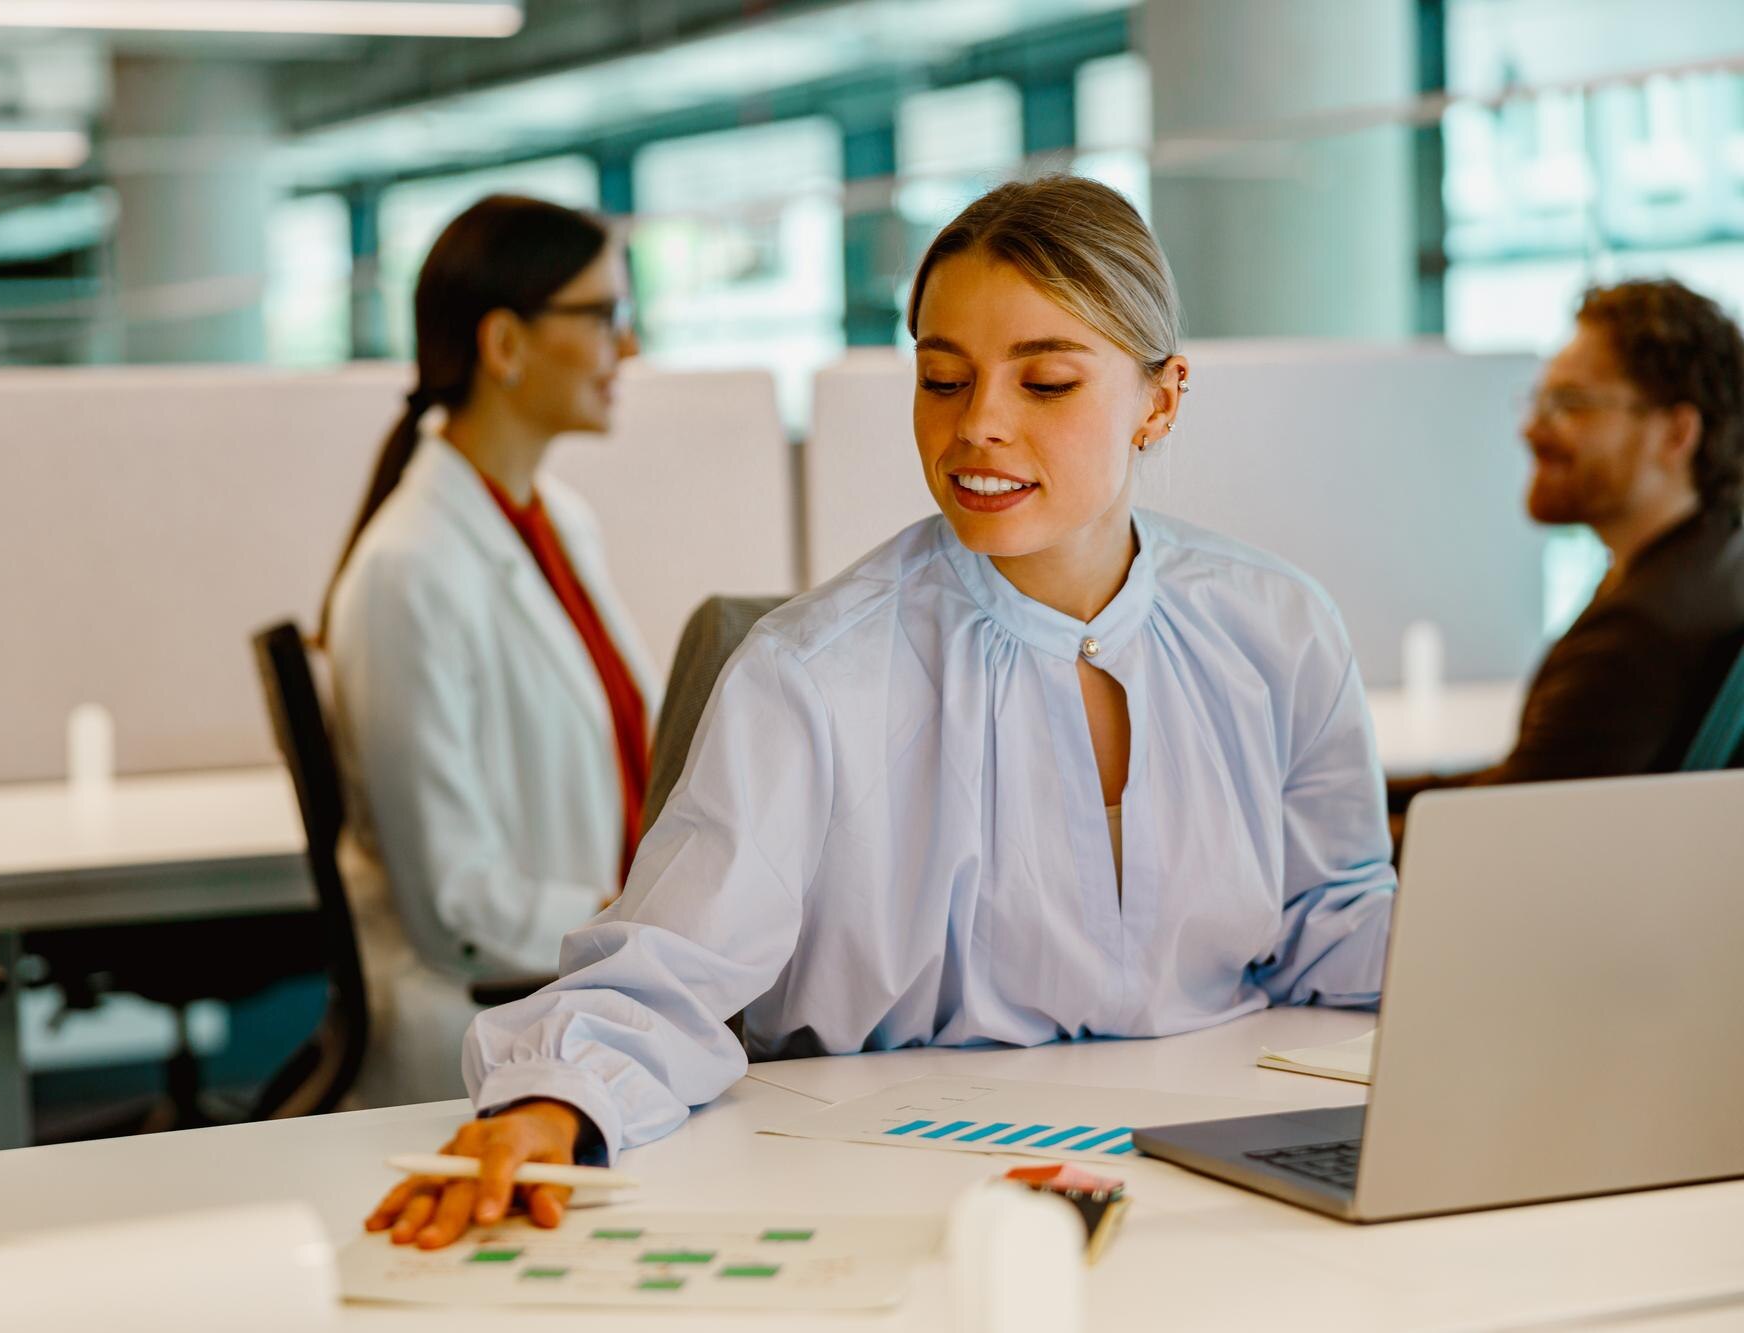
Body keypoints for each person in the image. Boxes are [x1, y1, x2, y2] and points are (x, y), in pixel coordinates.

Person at [366, 177, 1396, 1248]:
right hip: (899, 1187)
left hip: (1215, 1167)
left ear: (1161, 399)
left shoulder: (1278, 629)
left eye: (1044, 382)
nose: (978, 424)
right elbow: (669, 969)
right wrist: (551, 1103)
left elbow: (1331, 920)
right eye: (942, 379)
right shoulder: (810, 675)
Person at [323, 195, 656, 1105]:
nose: (628, 348)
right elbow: (456, 905)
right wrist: (643, 929)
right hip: (487, 1035)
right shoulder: (409, 569)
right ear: (505, 344)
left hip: (589, 1000)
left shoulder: (557, 524)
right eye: (604, 316)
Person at [1389, 279, 1744, 826]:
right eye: (1540, 400)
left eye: (1570, 403)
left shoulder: (1637, 632)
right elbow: (1524, 784)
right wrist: (1358, 795)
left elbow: (1499, 830)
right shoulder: (1707, 563)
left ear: (1676, 434)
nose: (1531, 429)